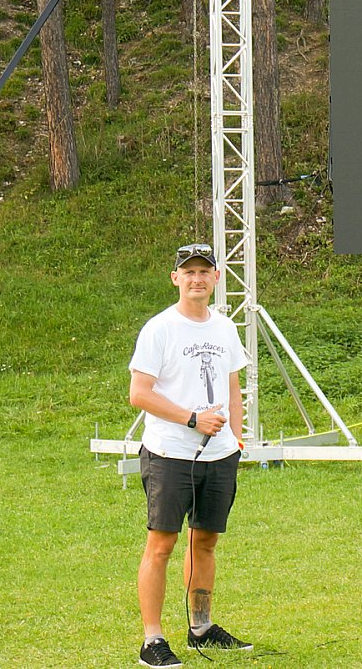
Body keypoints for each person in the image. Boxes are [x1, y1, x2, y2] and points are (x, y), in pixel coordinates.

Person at [128, 243, 253, 667]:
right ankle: (152, 640)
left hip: (220, 456)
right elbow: (139, 394)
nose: (196, 279)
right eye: (189, 272)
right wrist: (192, 419)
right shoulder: (159, 329)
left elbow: (233, 388)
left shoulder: (225, 328)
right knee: (161, 545)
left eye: (204, 271)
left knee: (205, 541)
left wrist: (235, 440)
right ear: (175, 279)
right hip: (170, 453)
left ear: (217, 278)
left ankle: (201, 626)